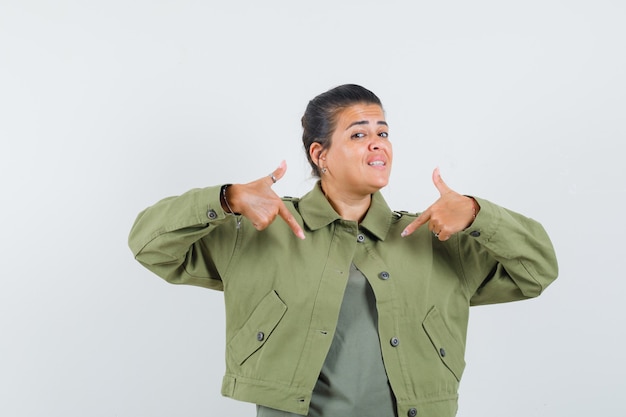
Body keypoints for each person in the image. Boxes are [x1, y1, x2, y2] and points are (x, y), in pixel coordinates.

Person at [128, 84, 558, 417]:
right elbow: (150, 245)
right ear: (321, 155)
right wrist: (225, 198)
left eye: (383, 132)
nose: (378, 144)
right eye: (358, 134)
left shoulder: (433, 236)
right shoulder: (261, 230)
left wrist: (479, 213)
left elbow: (537, 271)